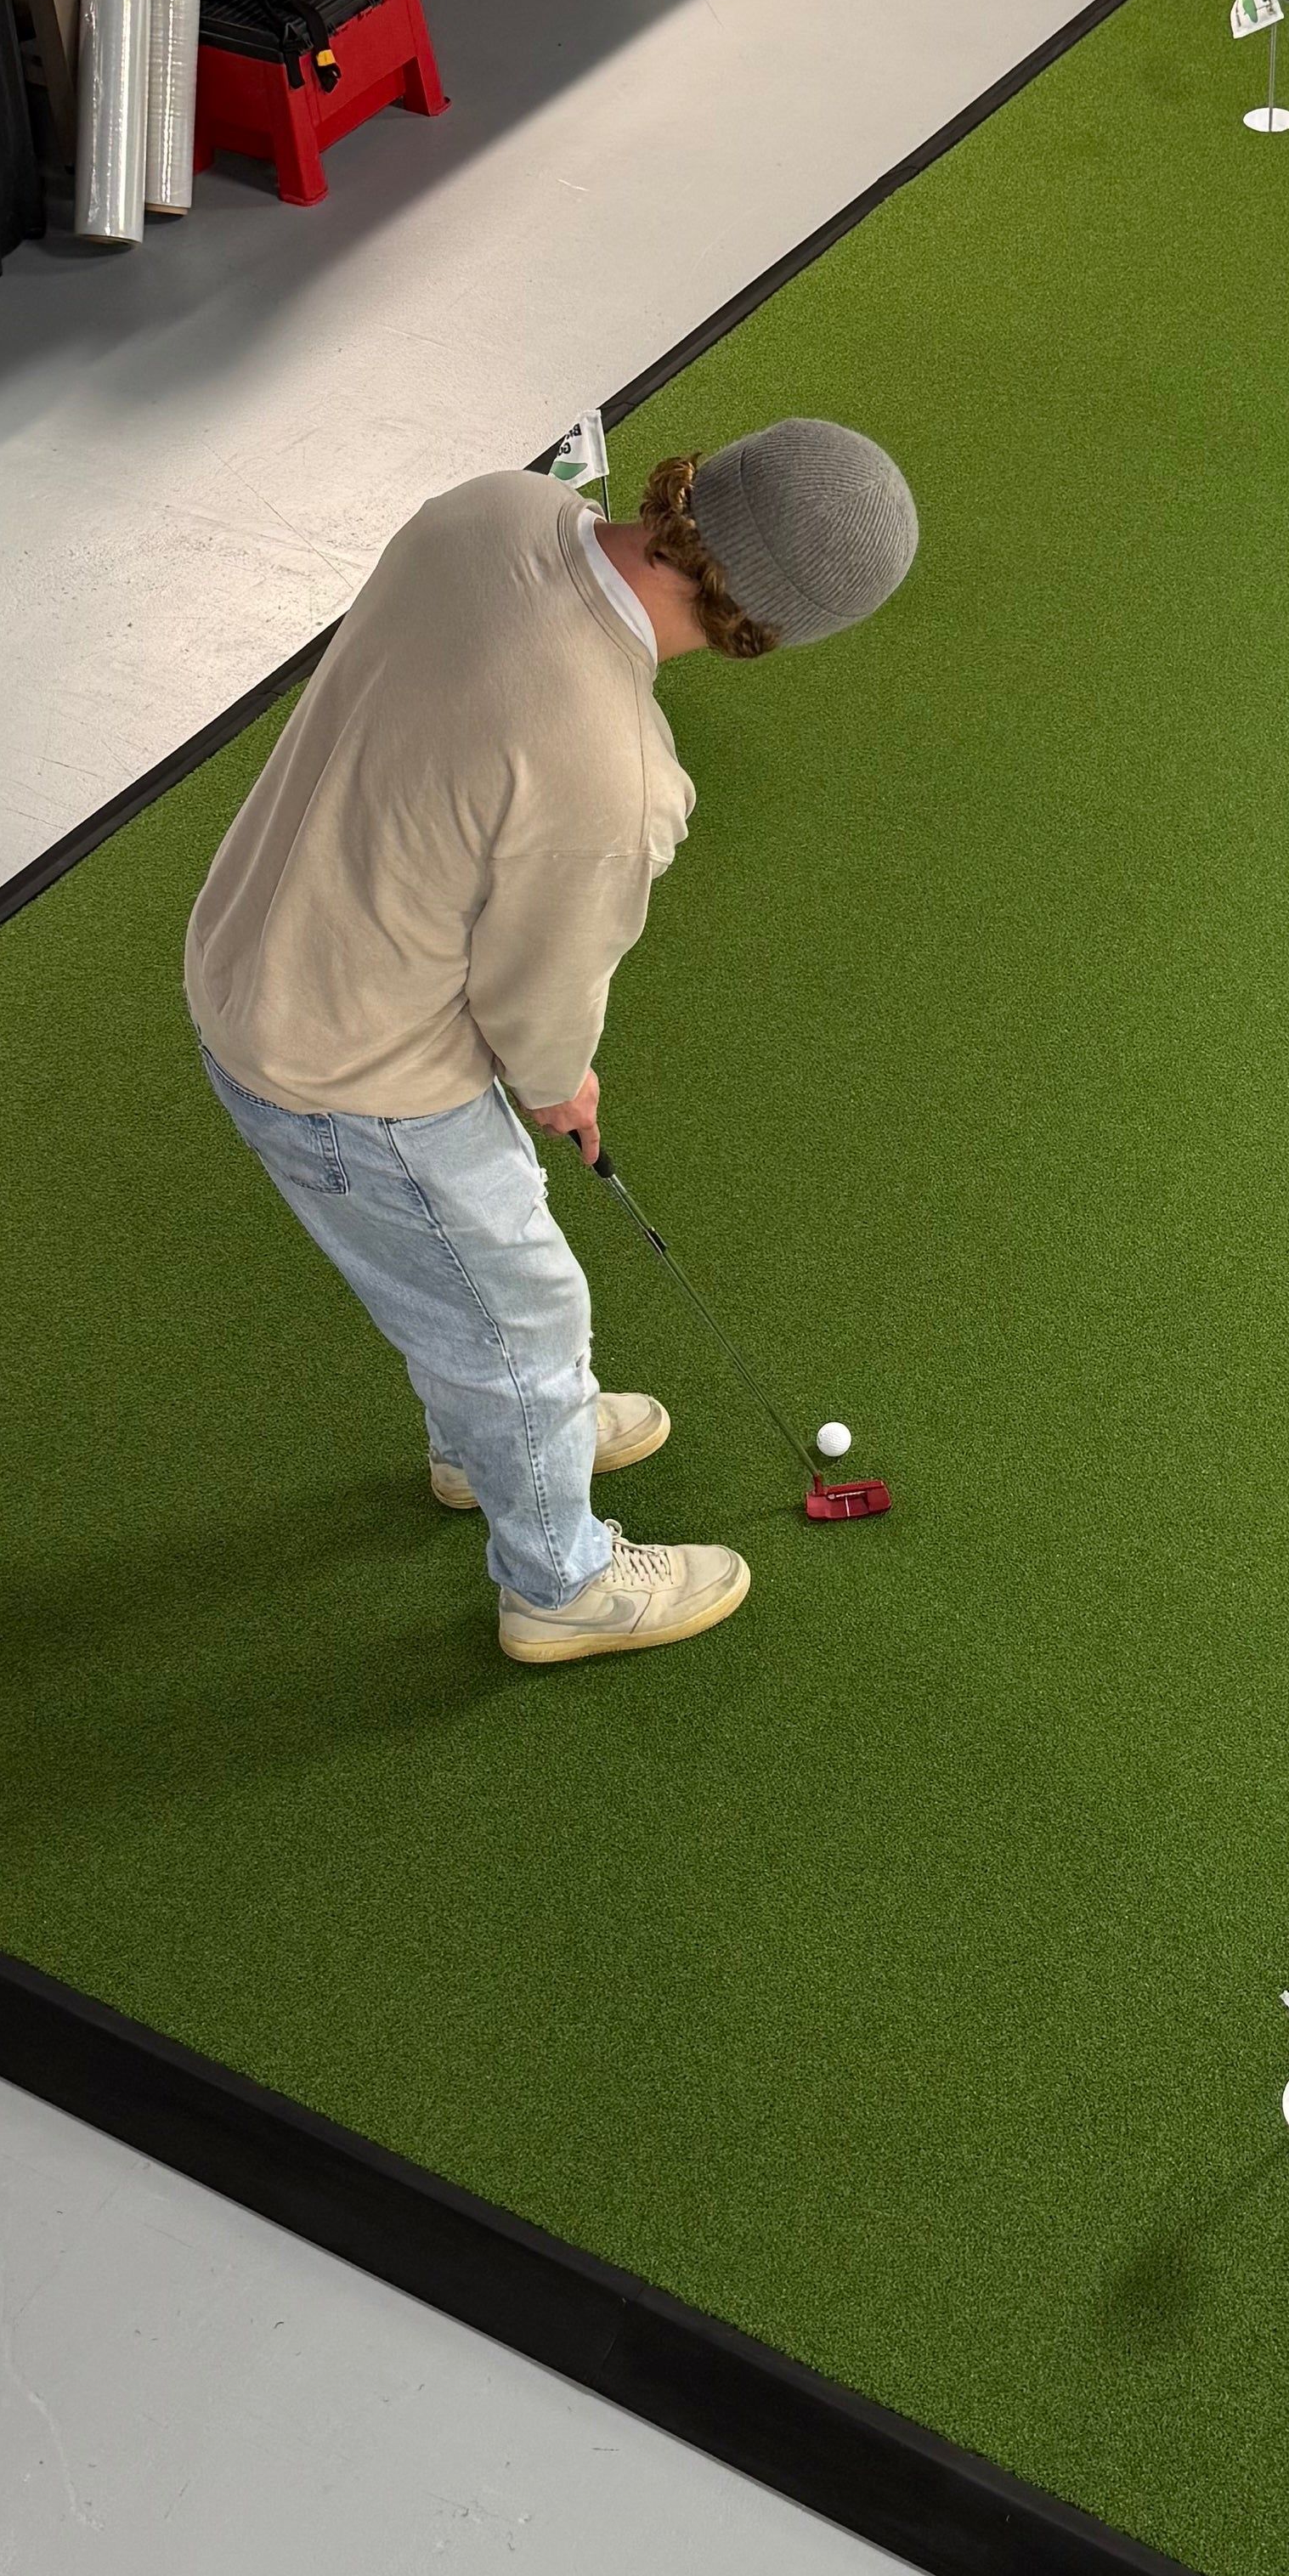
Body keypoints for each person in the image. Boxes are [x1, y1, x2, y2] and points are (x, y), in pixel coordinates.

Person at [186, 421, 919, 1664]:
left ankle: (501, 1442)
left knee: (463, 1266)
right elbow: (532, 998)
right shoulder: (616, 775)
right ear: (778, 628)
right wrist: (558, 1080)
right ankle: (560, 1587)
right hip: (350, 1065)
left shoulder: (494, 507)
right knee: (519, 1310)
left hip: (253, 941)